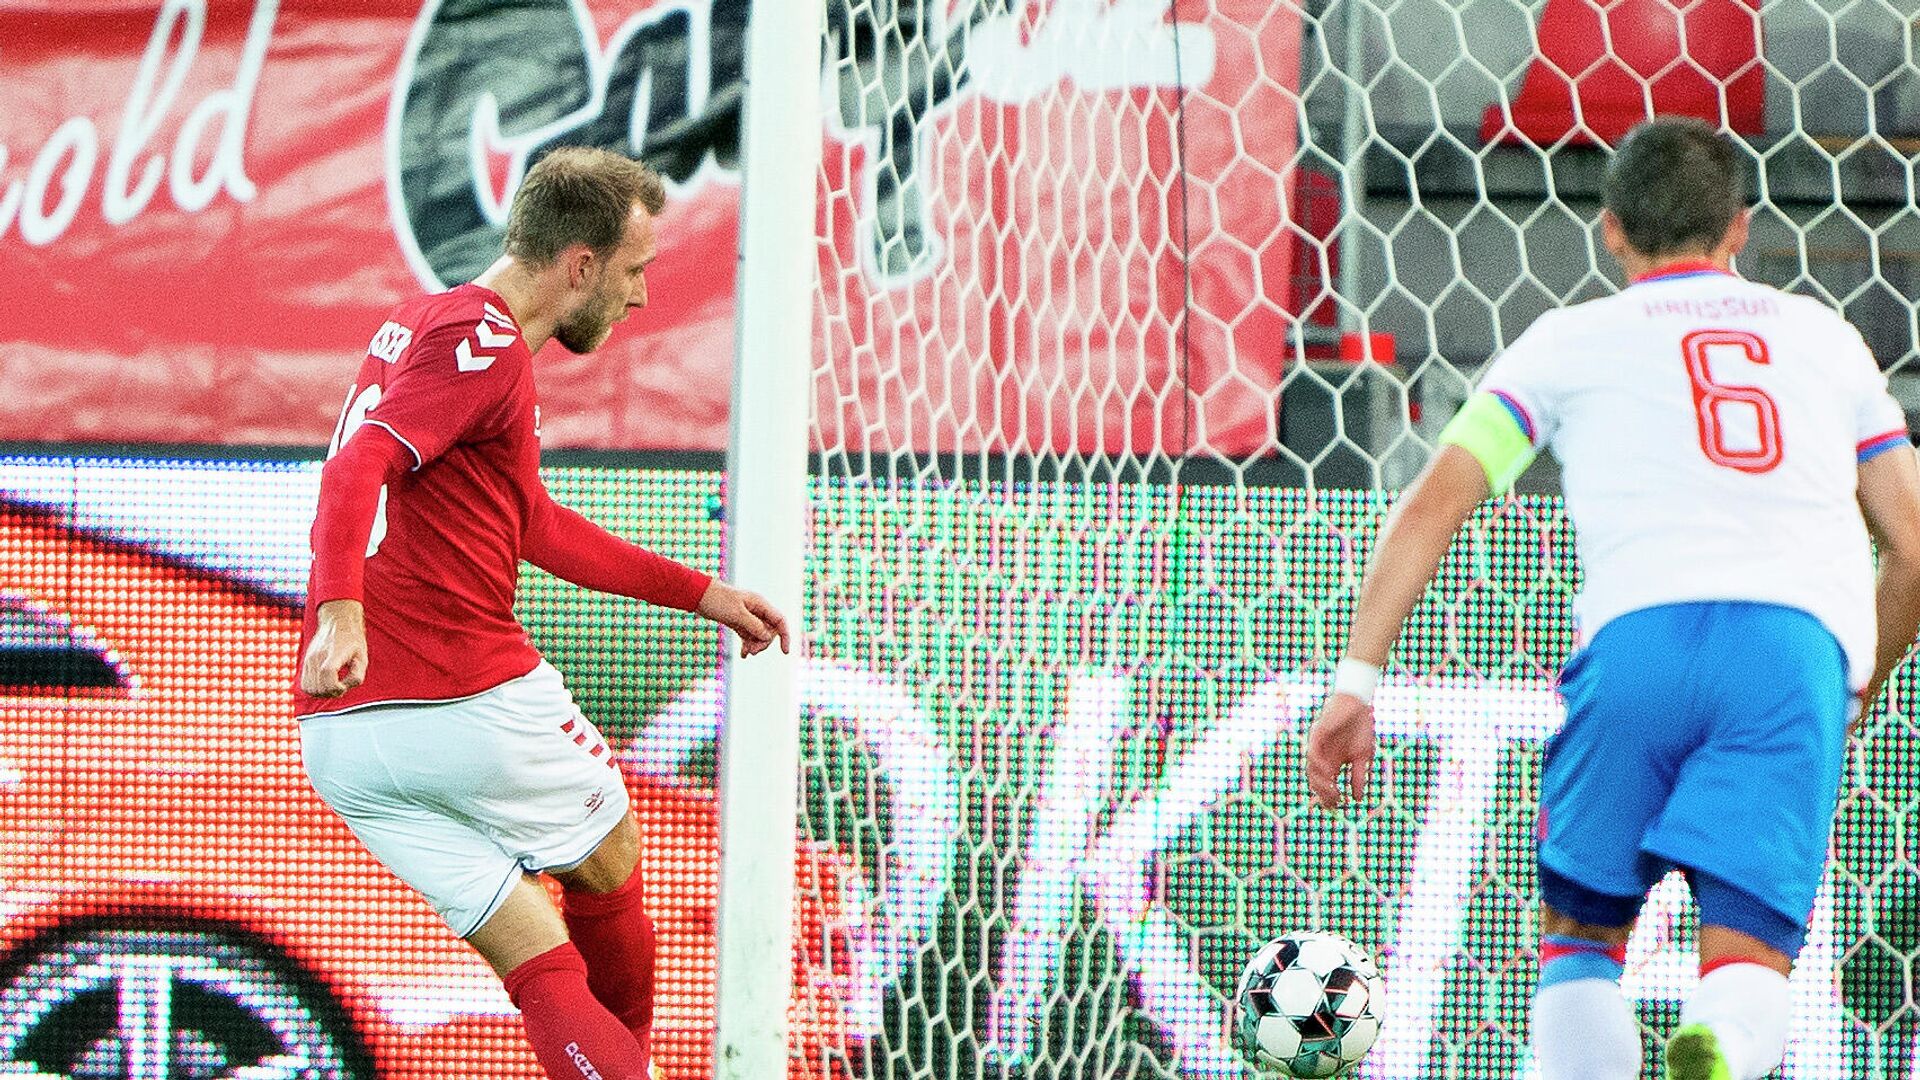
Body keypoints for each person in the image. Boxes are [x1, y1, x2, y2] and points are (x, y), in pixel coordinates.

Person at [1303, 116, 1920, 1080]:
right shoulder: (1828, 342)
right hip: (1791, 653)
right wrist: (1856, 680)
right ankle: (1716, 1035)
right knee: (1752, 950)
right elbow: (1917, 545)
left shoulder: (1568, 343)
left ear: (1612, 232)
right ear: (1741, 230)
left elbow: (1432, 506)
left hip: (1637, 647)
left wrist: (1355, 681)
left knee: (1580, 937)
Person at [295, 146, 789, 1080]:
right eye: (636, 270)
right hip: (459, 696)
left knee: (541, 965)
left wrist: (704, 595)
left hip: (346, 742)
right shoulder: (480, 342)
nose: (640, 298)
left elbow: (535, 525)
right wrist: (340, 613)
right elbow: (358, 466)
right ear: (582, 264)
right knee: (610, 862)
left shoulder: (422, 324)